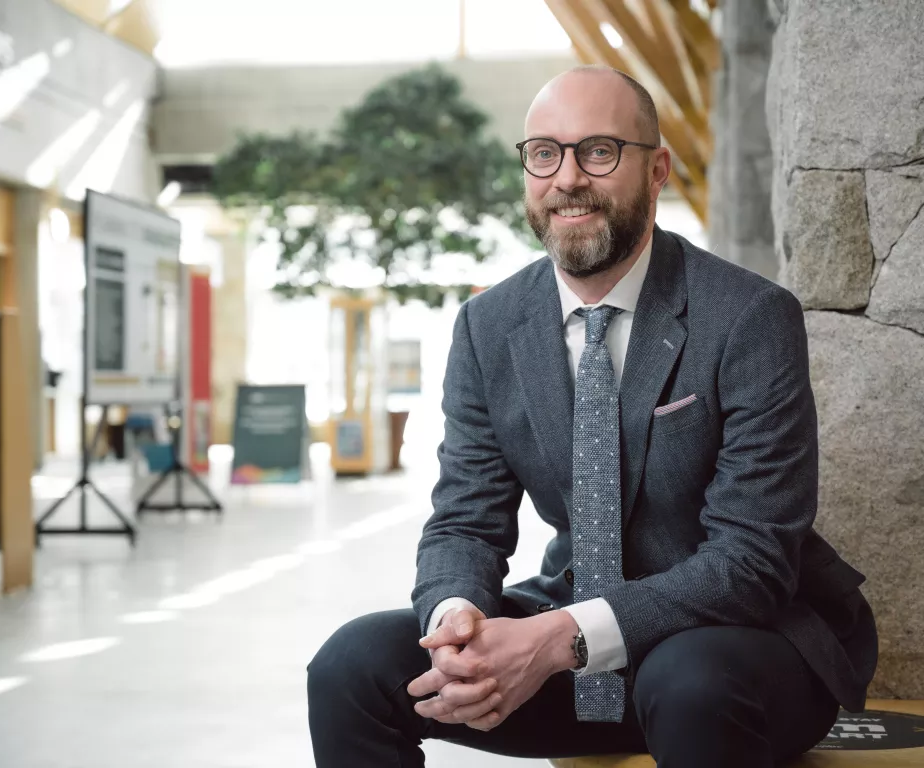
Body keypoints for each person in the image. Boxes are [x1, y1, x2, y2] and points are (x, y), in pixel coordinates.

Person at [307, 65, 877, 768]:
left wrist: (553, 640)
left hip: (740, 645)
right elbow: (464, 520)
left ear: (658, 169)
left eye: (599, 151)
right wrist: (456, 623)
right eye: (544, 153)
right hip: (576, 647)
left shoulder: (749, 317)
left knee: (687, 682)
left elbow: (752, 561)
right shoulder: (490, 326)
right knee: (349, 667)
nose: (567, 177)